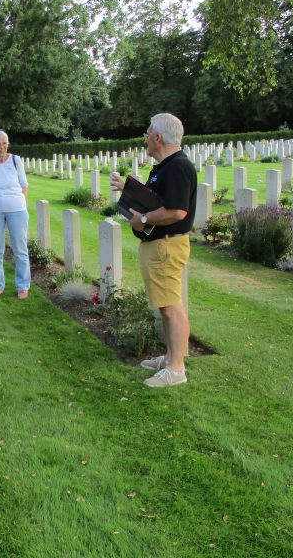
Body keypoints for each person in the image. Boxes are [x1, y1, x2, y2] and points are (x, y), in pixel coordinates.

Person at [110, 113, 197, 388]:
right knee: (166, 305)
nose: (145, 138)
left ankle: (176, 368)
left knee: (172, 308)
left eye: (147, 133)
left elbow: (176, 210)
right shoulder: (165, 166)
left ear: (158, 137)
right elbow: (159, 199)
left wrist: (143, 219)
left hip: (167, 246)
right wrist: (129, 188)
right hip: (159, 246)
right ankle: (171, 356)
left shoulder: (177, 167)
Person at [0, 130, 30, 299]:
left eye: (4, 143)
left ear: (8, 143)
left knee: (20, 249)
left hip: (16, 209)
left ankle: (22, 286)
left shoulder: (16, 160)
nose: (1, 147)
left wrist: (17, 201)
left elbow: (24, 185)